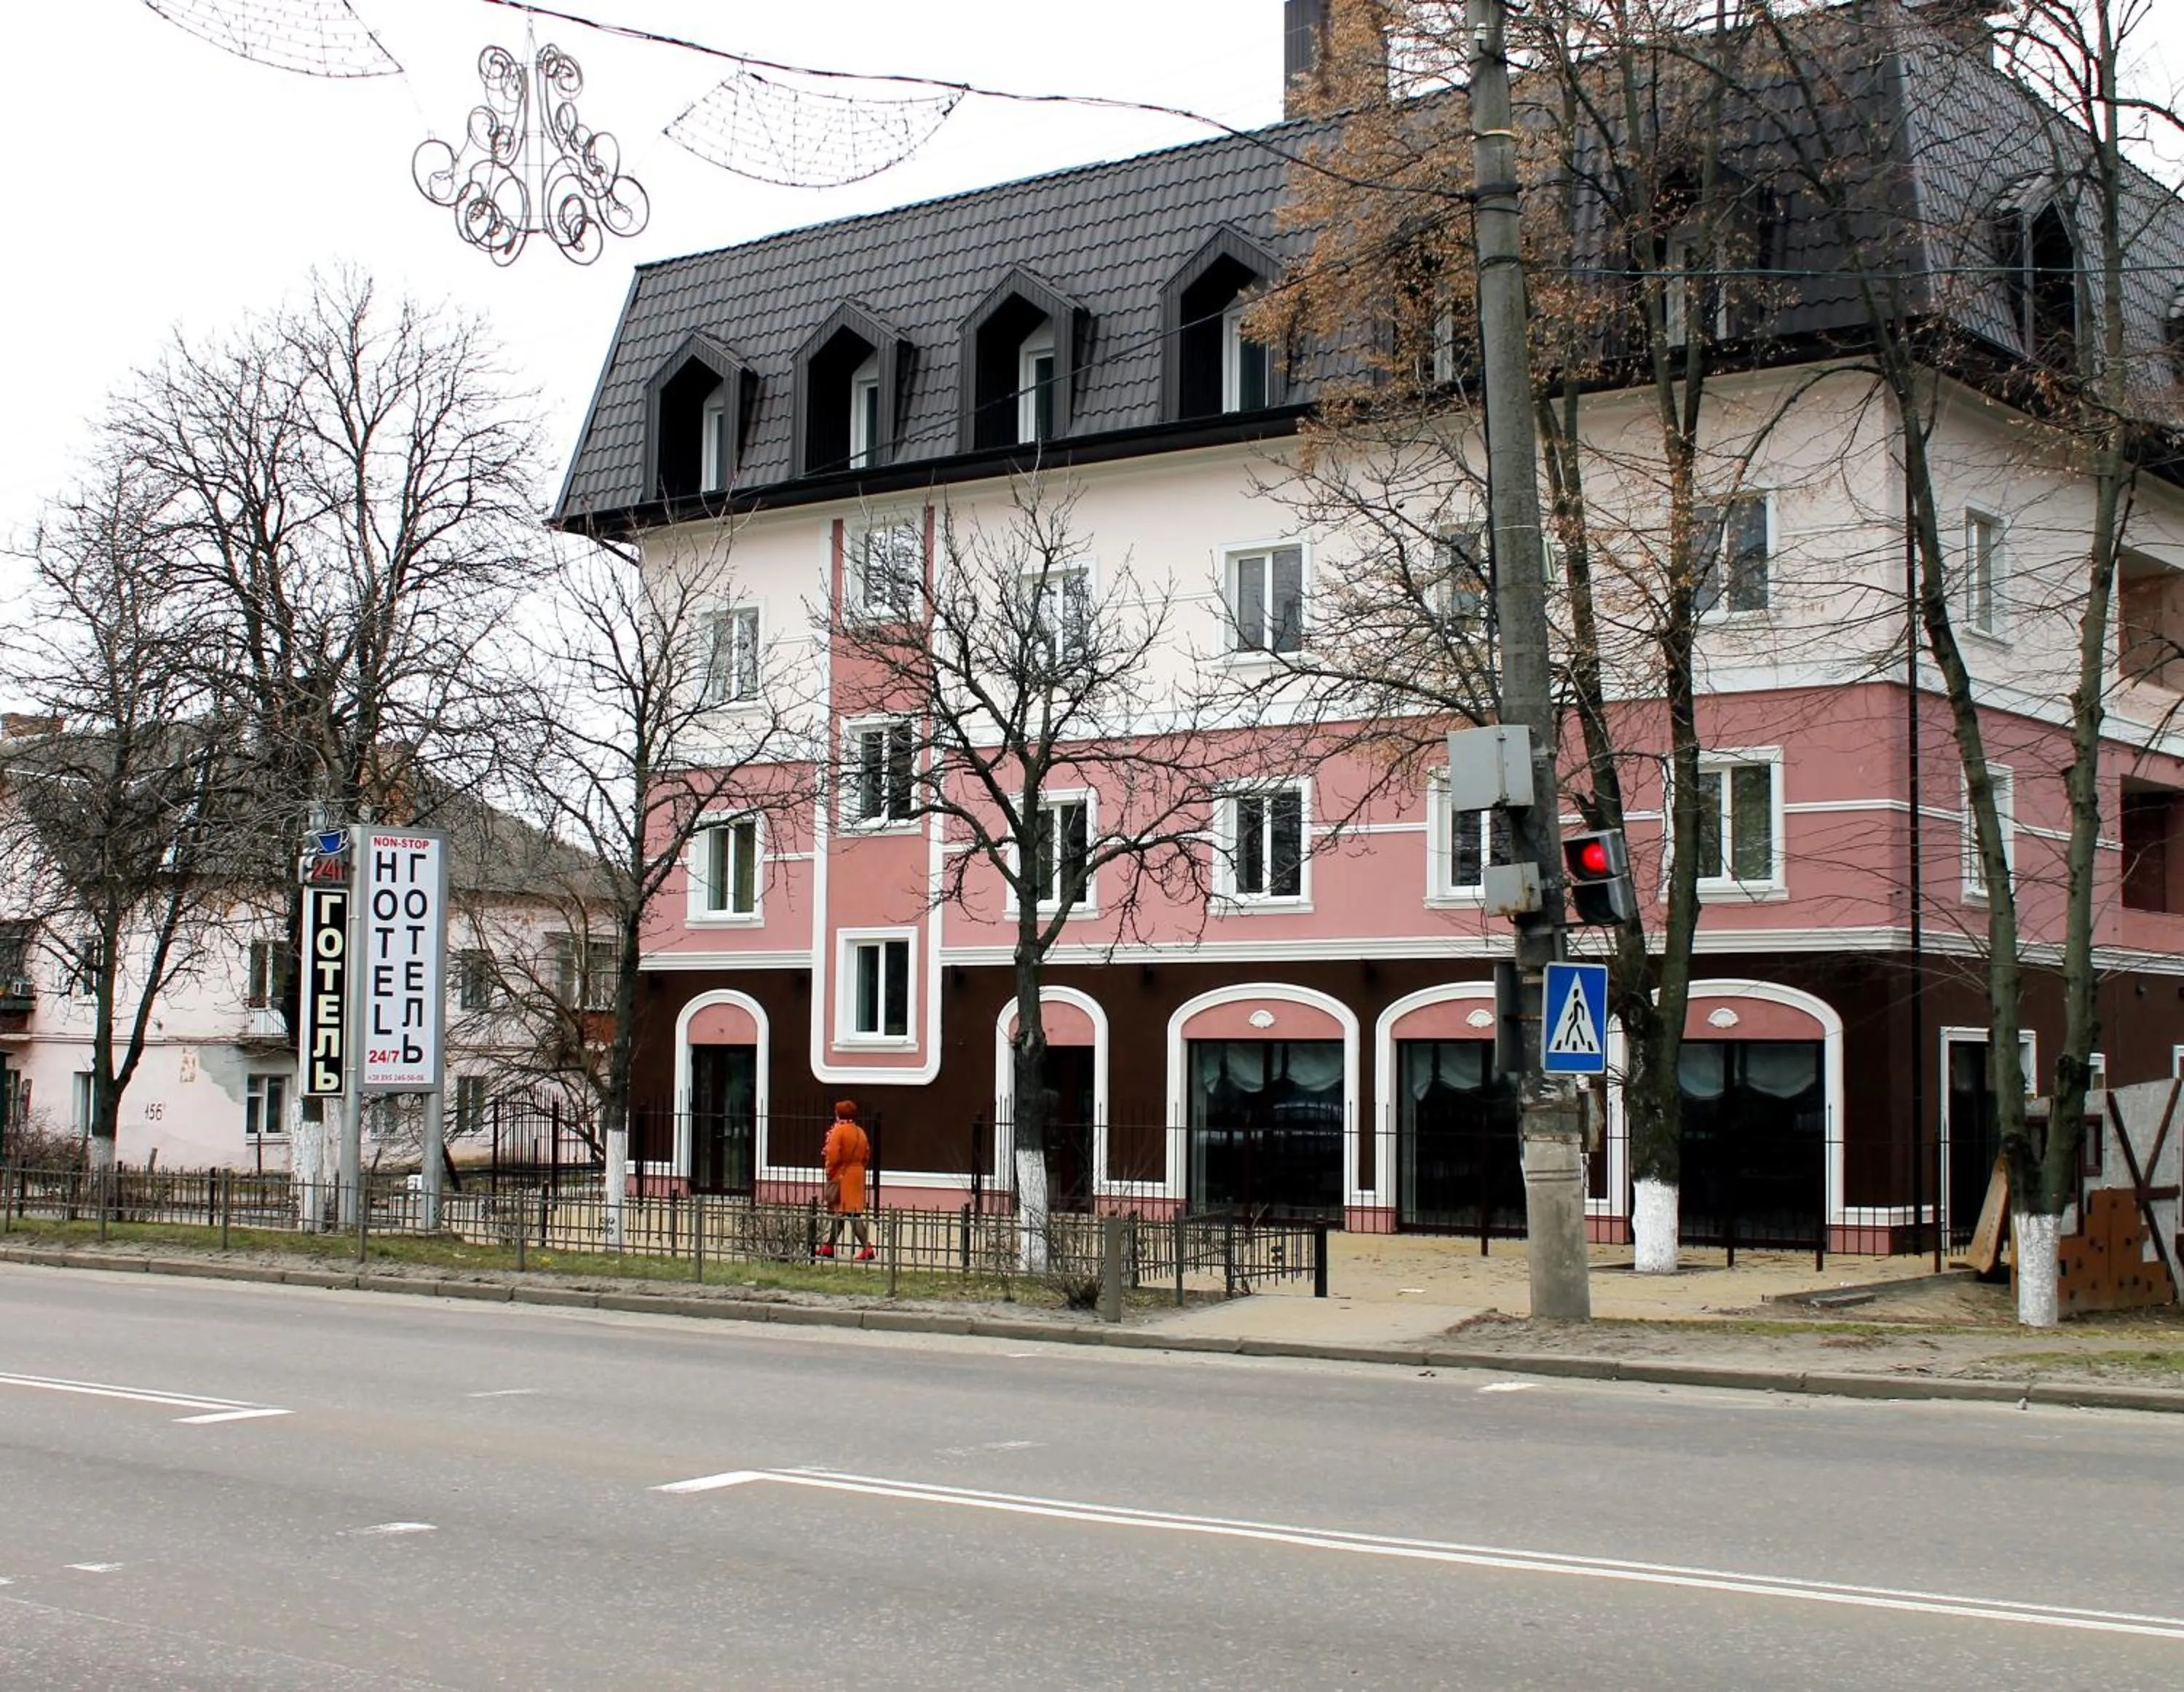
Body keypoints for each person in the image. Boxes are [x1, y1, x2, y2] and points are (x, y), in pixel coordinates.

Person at [817, 1099, 875, 1261]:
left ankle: (867, 1247)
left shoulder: (839, 1131)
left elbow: (833, 1155)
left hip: (842, 1175)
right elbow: (866, 1155)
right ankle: (829, 1246)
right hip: (858, 1174)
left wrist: (829, 1171)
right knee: (844, 1213)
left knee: (849, 1214)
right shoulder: (860, 1132)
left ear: (839, 1114)